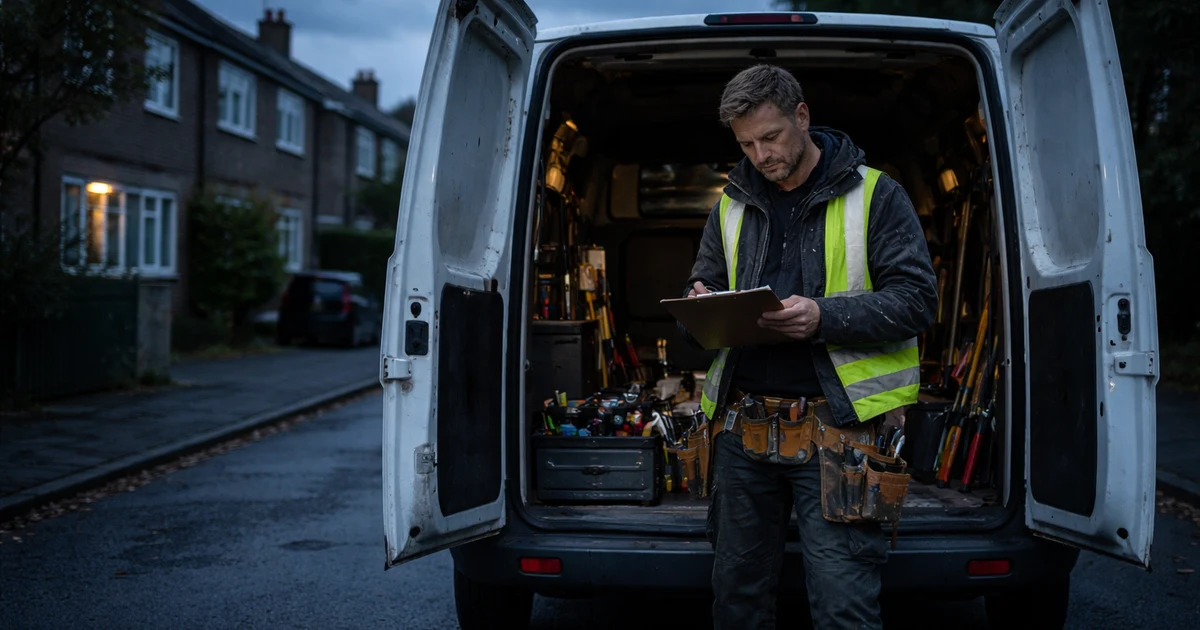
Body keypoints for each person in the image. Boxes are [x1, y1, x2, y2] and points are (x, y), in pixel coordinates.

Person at [678, 64, 938, 629]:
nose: (760, 154)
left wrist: (824, 317)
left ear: (803, 117)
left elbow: (918, 301)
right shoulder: (731, 203)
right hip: (740, 437)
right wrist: (701, 304)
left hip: (840, 436)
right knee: (736, 604)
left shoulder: (877, 194)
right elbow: (699, 295)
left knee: (844, 609)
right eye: (746, 144)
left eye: (770, 138)